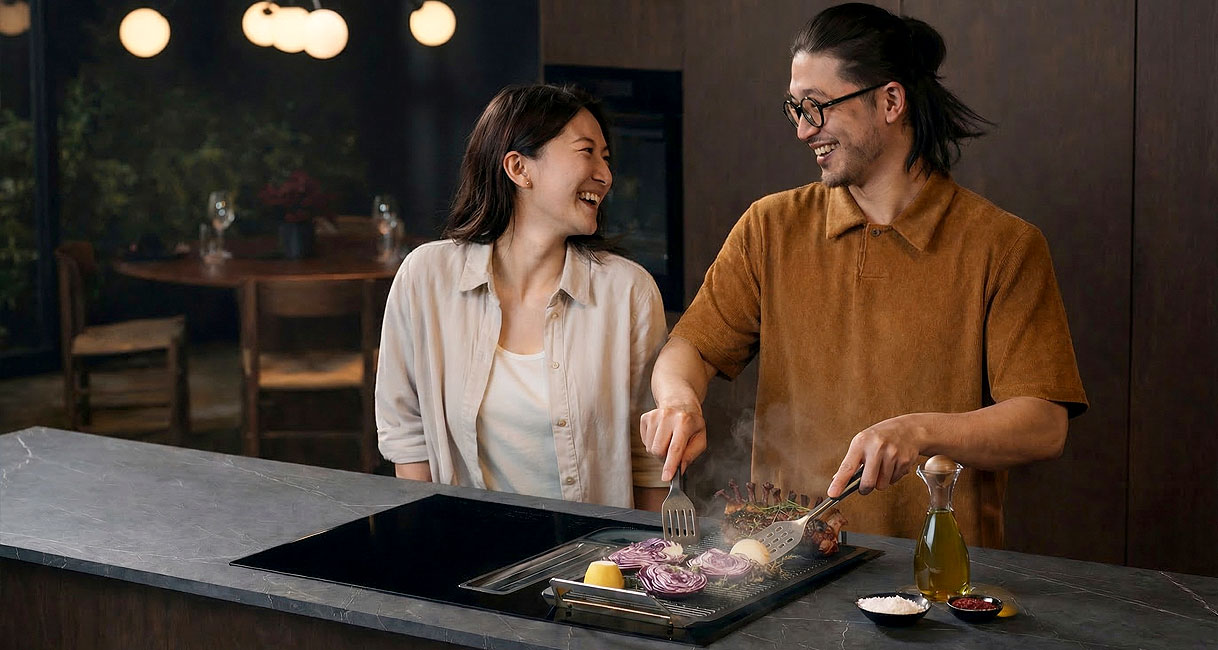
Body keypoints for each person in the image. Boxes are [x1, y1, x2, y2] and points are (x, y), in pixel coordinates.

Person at [640, 3, 1088, 546]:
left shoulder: (1004, 245)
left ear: (890, 101)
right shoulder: (770, 227)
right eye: (794, 109)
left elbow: (1044, 424)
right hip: (783, 563)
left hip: (937, 575)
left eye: (818, 107)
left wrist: (919, 432)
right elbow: (690, 348)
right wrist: (678, 398)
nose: (804, 130)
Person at [376, 84, 668, 510]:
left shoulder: (628, 292)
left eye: (606, 158)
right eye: (586, 151)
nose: (605, 175)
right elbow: (406, 434)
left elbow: (648, 457)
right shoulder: (426, 278)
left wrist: (645, 564)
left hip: (590, 565)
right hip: (464, 555)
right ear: (518, 168)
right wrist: (428, 542)